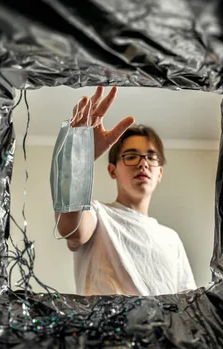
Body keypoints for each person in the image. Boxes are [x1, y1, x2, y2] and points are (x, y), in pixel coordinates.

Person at [54, 86, 197, 296]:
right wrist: (79, 160)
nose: (143, 164)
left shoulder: (171, 239)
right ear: (112, 170)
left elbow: (188, 303)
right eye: (131, 156)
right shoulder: (97, 213)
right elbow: (69, 228)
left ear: (159, 174)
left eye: (151, 157)